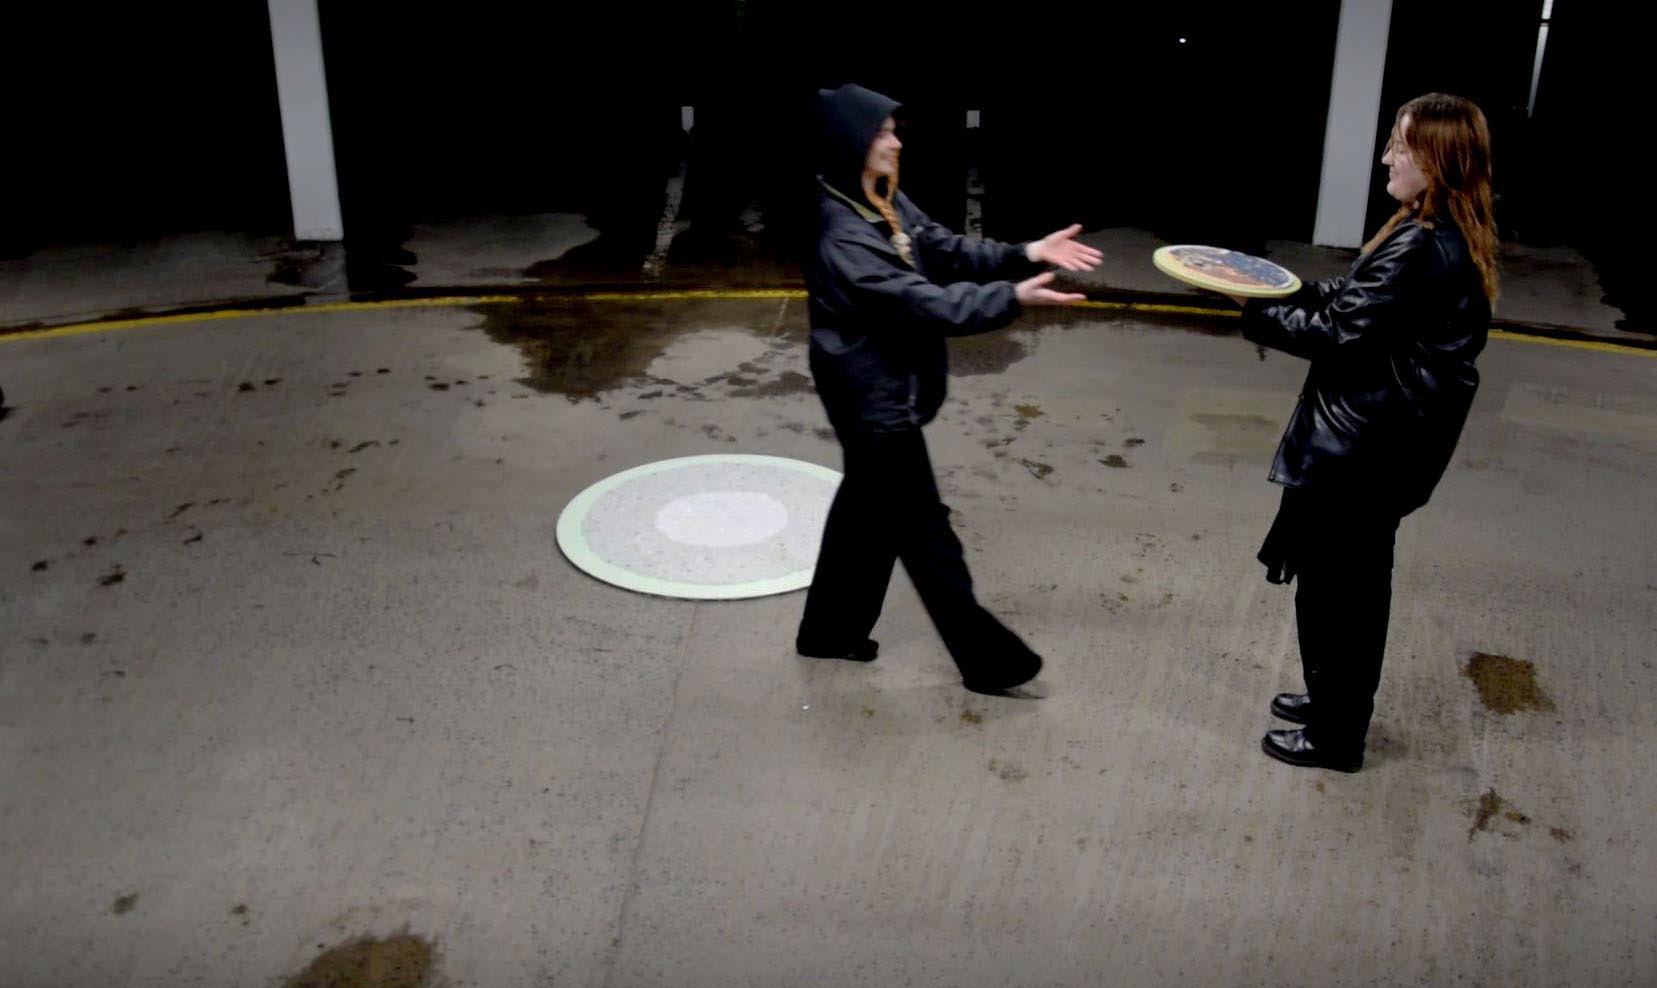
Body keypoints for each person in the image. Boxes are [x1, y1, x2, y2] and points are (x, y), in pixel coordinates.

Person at [795, 83, 1102, 695]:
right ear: (852, 144)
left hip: (881, 391)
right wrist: (1012, 296)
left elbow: (938, 246)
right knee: (925, 533)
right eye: (882, 132)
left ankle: (828, 632)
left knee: (865, 513)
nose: (894, 139)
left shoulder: (874, 198)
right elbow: (923, 301)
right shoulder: (843, 237)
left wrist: (1025, 251)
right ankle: (987, 660)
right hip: (874, 405)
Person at [1230, 93, 1499, 771]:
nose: (1386, 156)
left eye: (1400, 147)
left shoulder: (1422, 244)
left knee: (1340, 599)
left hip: (1363, 456)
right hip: (1382, 451)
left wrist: (1252, 309)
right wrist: (1283, 286)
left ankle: (1336, 734)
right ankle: (1331, 704)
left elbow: (1339, 335)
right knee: (1342, 589)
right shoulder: (1431, 230)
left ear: (1436, 160)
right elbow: (1355, 298)